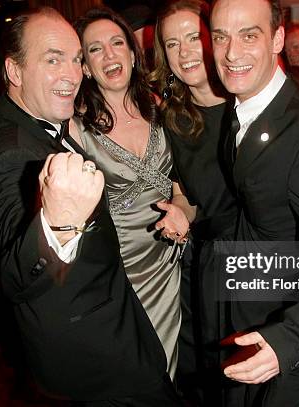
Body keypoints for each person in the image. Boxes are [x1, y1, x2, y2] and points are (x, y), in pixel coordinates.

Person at [0, 7, 181, 404]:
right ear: (14, 72)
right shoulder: (12, 151)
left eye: (74, 59)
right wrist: (59, 223)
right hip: (95, 353)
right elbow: (16, 278)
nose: (71, 74)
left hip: (116, 317)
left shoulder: (36, 123)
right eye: (53, 60)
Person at [210, 0, 299, 406]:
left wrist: (289, 337)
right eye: (220, 37)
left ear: (277, 38)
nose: (231, 53)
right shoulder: (243, 106)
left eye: (249, 35)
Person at [71, 7, 187, 380]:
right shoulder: (75, 127)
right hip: (119, 273)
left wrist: (182, 210)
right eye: (95, 49)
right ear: (86, 67)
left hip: (169, 264)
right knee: (129, 375)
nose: (109, 54)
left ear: (134, 53)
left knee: (167, 370)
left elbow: (181, 182)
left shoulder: (160, 106)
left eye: (117, 43)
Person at [150, 0, 237, 403]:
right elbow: (184, 192)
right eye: (172, 43)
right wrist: (181, 214)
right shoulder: (173, 116)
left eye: (193, 37)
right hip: (205, 264)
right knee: (205, 376)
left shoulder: (246, 102)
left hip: (261, 257)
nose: (185, 52)